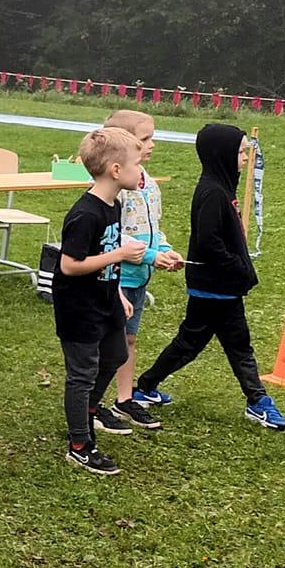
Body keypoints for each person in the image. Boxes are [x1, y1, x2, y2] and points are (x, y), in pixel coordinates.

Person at [133, 123, 285, 431]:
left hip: (219, 286)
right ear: (222, 154)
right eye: (241, 152)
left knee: (190, 343)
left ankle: (146, 386)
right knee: (235, 346)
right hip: (215, 286)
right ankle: (258, 401)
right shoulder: (212, 193)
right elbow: (208, 243)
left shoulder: (221, 188)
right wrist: (239, 267)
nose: (245, 157)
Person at [53, 127, 152, 476]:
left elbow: (106, 252)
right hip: (79, 306)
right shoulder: (86, 214)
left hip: (106, 299)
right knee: (82, 374)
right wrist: (120, 256)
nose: (141, 170)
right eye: (136, 164)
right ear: (115, 170)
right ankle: (80, 445)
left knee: (116, 355)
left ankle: (86, 413)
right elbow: (69, 265)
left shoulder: (115, 204)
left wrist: (119, 293)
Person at [99, 109, 183, 429]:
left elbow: (152, 228)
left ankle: (124, 399)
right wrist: (150, 256)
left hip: (138, 278)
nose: (152, 144)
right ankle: (92, 403)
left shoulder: (149, 185)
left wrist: (164, 250)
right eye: (145, 139)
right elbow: (111, 236)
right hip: (115, 277)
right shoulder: (115, 187)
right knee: (108, 343)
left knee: (128, 340)